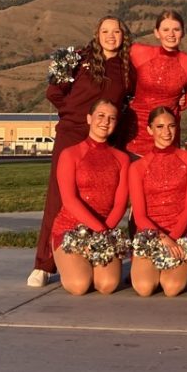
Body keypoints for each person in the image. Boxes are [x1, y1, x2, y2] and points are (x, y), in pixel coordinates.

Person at [28, 15, 135, 287]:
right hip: (73, 132)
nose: (111, 36)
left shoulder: (127, 68)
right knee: (59, 196)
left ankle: (92, 249)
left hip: (105, 136)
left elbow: (131, 102)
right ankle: (43, 264)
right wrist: (71, 115)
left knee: (101, 197)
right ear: (96, 33)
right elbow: (53, 91)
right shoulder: (76, 57)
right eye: (106, 31)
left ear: (124, 35)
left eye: (117, 31)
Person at [51, 99, 132, 296]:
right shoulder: (70, 154)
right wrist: (99, 231)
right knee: (80, 286)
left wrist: (103, 235)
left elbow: (120, 203)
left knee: (107, 285)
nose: (105, 121)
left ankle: (88, 263)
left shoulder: (122, 159)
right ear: (89, 118)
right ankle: (69, 261)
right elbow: (70, 201)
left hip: (104, 231)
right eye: (101, 116)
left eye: (112, 118)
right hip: (71, 230)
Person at [128, 106, 187, 297]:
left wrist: (174, 238)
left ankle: (182, 265)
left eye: (171, 126)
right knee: (144, 288)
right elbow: (140, 216)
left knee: (171, 288)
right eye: (160, 127)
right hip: (150, 234)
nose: (166, 132)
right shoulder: (137, 167)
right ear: (150, 129)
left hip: (180, 233)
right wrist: (163, 239)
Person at [125, 10, 187, 157]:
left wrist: (181, 101)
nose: (171, 34)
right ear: (156, 33)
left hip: (167, 135)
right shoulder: (138, 52)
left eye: (176, 29)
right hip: (134, 131)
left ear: (183, 32)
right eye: (165, 29)